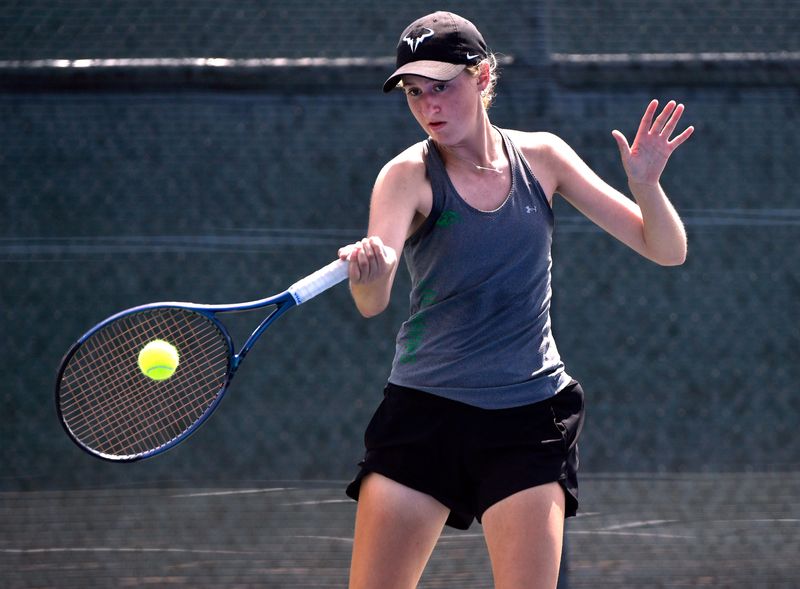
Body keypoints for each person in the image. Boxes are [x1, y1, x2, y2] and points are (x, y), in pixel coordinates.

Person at [338, 11, 693, 589]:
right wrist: (368, 273)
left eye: (442, 86)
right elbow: (372, 302)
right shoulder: (405, 176)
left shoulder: (544, 158)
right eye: (414, 92)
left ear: (481, 79)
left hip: (528, 418)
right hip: (423, 414)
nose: (429, 105)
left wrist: (647, 186)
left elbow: (665, 248)